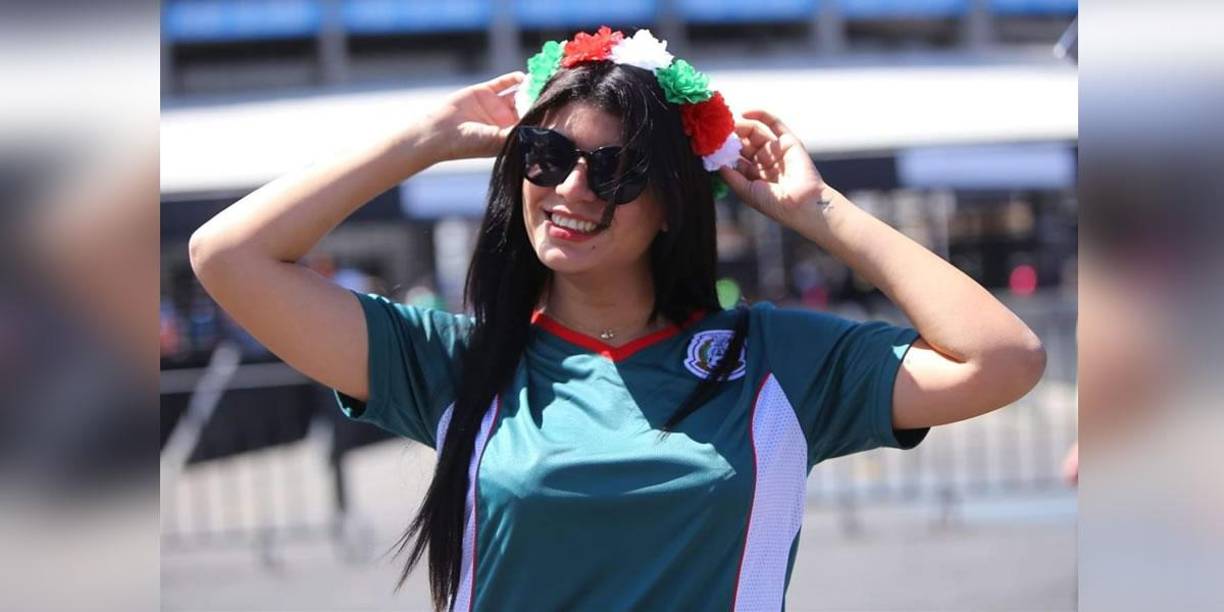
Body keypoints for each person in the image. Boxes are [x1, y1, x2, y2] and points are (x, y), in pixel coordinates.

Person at [189, 27, 1046, 612]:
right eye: (547, 156)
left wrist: (818, 211)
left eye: (615, 170)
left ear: (672, 201)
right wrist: (426, 136)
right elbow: (227, 258)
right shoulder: (455, 362)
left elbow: (1001, 358)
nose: (570, 189)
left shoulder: (778, 361)